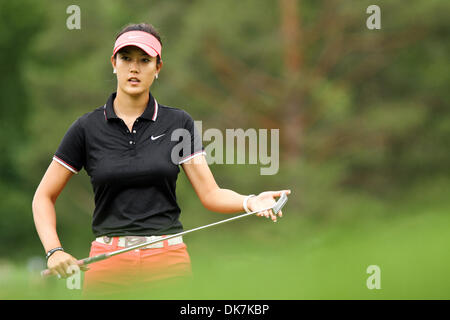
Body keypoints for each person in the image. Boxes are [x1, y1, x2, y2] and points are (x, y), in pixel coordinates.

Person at [32, 23, 291, 296]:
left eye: (145, 60)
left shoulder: (178, 123)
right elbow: (43, 196)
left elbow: (210, 193)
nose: (134, 68)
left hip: (168, 263)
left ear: (157, 68)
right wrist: (54, 251)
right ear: (114, 63)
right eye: (126, 58)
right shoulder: (86, 128)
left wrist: (250, 201)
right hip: (108, 263)